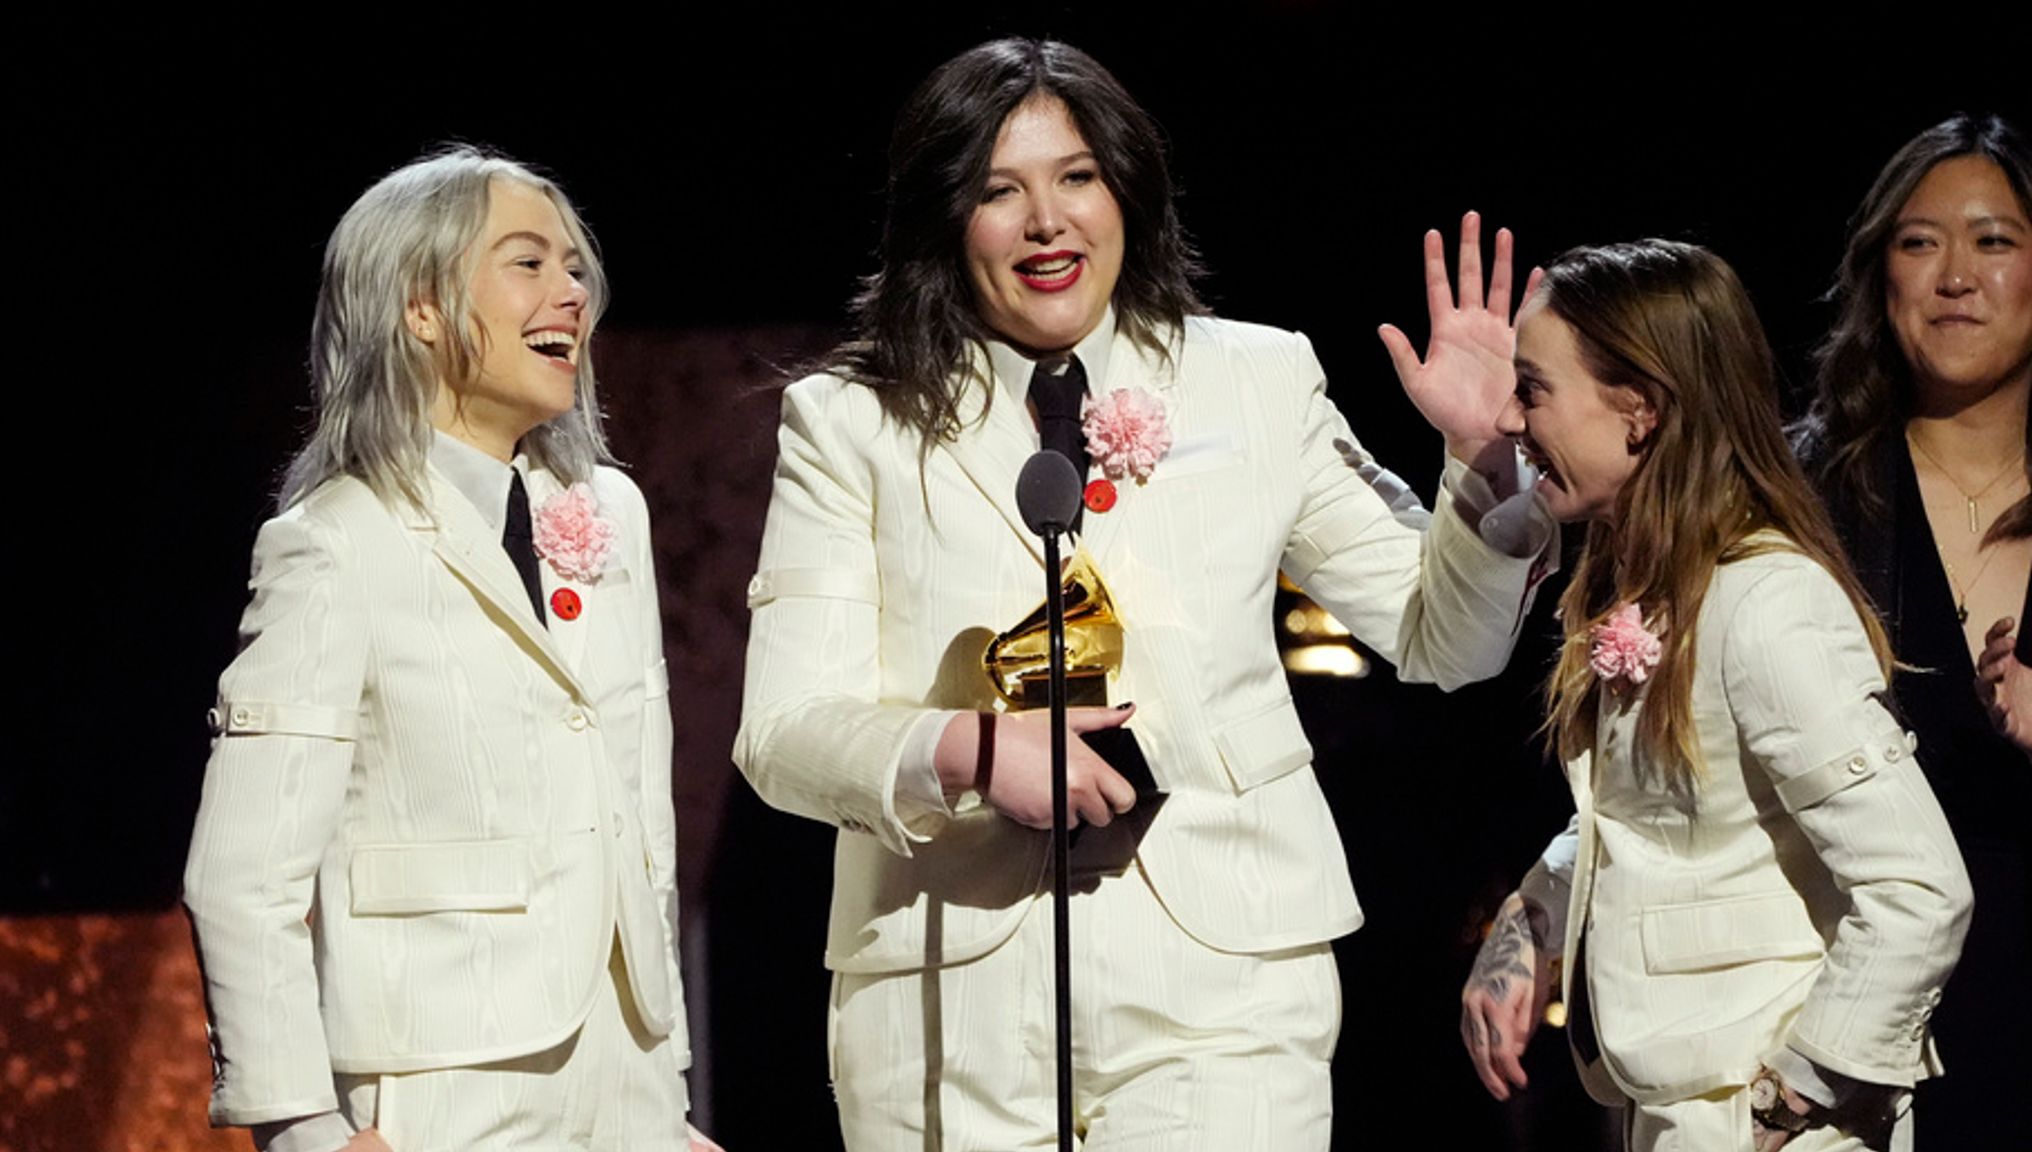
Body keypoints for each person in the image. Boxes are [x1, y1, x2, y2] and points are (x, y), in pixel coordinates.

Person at [733, 37, 1555, 1150]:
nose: (1046, 222)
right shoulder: (850, 422)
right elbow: (783, 734)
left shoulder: (1257, 379)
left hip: (1225, 979)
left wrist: (1478, 466)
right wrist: (967, 751)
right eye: (996, 190)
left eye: (1075, 177)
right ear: (942, 218)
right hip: (946, 985)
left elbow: (1440, 640)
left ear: (1126, 190)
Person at [183, 148, 717, 1152]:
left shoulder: (609, 515)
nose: (570, 293)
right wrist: (302, 1128)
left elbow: (639, 825)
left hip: (623, 1085)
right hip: (444, 1089)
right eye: (527, 264)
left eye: (574, 268)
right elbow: (242, 877)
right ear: (420, 307)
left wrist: (665, 1089)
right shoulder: (336, 543)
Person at [1457, 239, 1973, 1150]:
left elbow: (1919, 888)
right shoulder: (1661, 591)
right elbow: (1657, 814)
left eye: (1533, 387)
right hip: (1665, 1111)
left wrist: (1791, 1100)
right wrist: (1530, 918)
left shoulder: (1768, 603)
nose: (1508, 415)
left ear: (1641, 408)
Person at [1791, 112, 2031, 1148]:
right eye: (1916, 241)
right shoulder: (1794, 494)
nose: (1952, 277)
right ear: (1876, 274)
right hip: (1857, 1025)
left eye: (1993, 240)